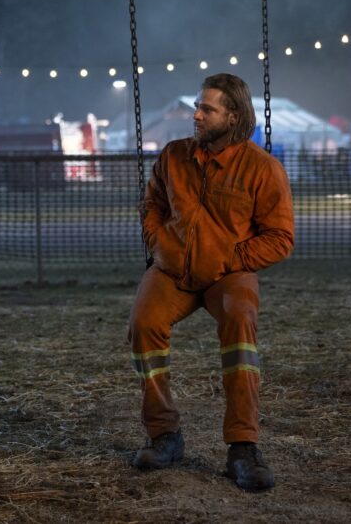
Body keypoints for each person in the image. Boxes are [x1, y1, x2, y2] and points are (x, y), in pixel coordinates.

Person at [128, 73, 294, 492]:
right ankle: (164, 435)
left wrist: (229, 259)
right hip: (173, 271)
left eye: (207, 109)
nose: (196, 115)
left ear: (233, 116)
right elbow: (152, 203)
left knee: (240, 322)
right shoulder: (174, 156)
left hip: (228, 274)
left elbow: (280, 238)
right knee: (144, 325)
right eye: (197, 107)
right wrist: (160, 243)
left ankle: (242, 446)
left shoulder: (262, 168)